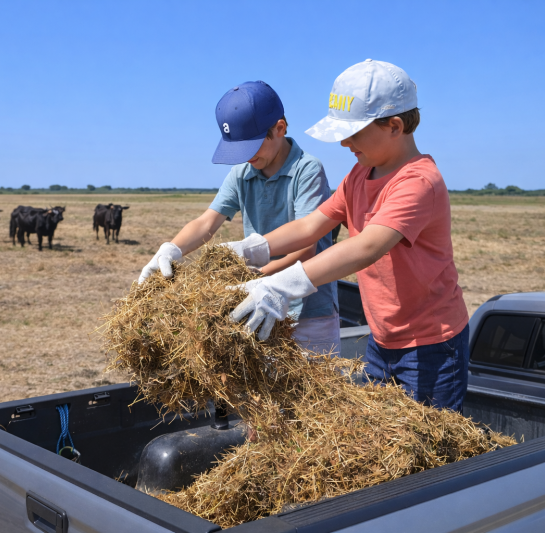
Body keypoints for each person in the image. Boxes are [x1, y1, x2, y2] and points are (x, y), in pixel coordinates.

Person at [226, 60, 470, 412]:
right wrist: (249, 250)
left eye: (353, 133)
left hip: (431, 345)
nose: (343, 142)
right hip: (382, 339)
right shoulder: (359, 174)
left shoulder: (418, 182)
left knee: (431, 453)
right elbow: (311, 226)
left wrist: (282, 285)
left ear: (394, 126)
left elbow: (367, 247)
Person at [138, 81, 340, 355]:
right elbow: (207, 223)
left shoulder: (307, 171)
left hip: (308, 312)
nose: (246, 157)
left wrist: (259, 279)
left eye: (252, 146)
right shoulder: (242, 173)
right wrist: (172, 248)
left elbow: (307, 247)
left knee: (312, 393)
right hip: (256, 303)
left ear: (279, 129)